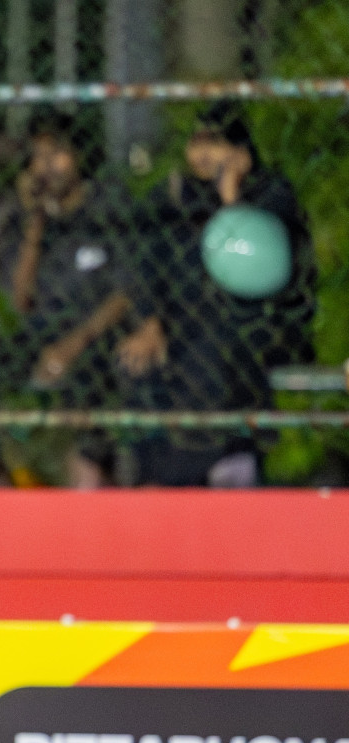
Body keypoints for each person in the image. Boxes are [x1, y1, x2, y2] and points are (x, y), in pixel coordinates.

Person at [117, 100, 316, 487]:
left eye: (216, 143)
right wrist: (151, 321)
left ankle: (221, 470)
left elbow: (255, 271)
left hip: (254, 322)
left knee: (211, 357)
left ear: (240, 152)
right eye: (197, 143)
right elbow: (146, 267)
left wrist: (231, 200)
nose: (203, 154)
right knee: (136, 362)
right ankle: (153, 478)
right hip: (182, 323)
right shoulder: (174, 198)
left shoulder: (269, 193)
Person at [0, 112, 136, 487]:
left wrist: (75, 344)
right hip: (43, 331)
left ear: (80, 156)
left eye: (56, 154)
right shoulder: (27, 221)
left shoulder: (109, 205)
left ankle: (89, 480)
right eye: (37, 157)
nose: (46, 167)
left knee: (91, 379)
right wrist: (34, 224)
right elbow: (21, 300)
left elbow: (126, 293)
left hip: (98, 331)